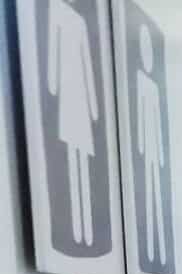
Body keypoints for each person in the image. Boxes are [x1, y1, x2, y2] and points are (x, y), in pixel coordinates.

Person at [47, 0, 99, 247]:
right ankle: (79, 231)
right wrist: (52, 88)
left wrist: (94, 107)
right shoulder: (58, 13)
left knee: (81, 163)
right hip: (69, 98)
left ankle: (86, 230)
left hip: (75, 97)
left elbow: (87, 66)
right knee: (71, 159)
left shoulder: (78, 21)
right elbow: (54, 55)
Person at [136, 23, 166, 265]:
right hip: (148, 152)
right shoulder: (143, 84)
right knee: (150, 199)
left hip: (154, 152)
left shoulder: (153, 87)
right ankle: (152, 250)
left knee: (156, 199)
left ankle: (159, 253)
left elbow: (157, 117)